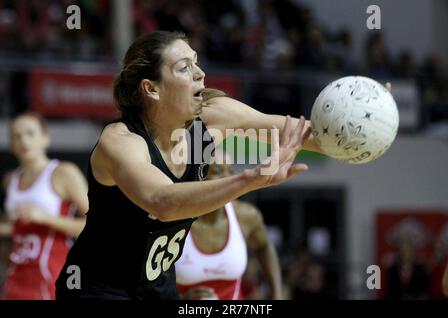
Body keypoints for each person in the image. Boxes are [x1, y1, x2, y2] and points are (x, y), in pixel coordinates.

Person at [55, 30, 390, 300]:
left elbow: (307, 135)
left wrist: (369, 118)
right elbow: (163, 202)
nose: (200, 73)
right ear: (151, 89)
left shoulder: (212, 117)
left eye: (196, 63)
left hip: (158, 289)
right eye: (184, 67)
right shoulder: (121, 141)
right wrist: (251, 179)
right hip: (96, 289)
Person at [0, 112, 88, 300]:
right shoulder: (10, 180)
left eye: (30, 133)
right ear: (12, 144)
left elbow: (99, 225)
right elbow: (16, 228)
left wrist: (45, 218)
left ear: (45, 138)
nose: (23, 140)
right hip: (18, 273)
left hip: (53, 272)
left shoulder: (64, 172)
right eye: (16, 136)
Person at [175, 162, 283, 300]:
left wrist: (277, 294)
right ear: (198, 177)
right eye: (218, 171)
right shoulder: (174, 219)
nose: (229, 178)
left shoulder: (246, 215)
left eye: (230, 171)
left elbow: (264, 247)